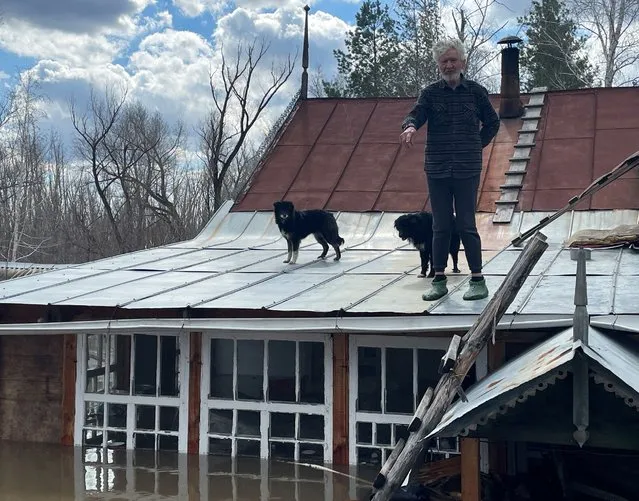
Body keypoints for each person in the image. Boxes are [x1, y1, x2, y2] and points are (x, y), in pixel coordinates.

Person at [399, 38, 500, 301]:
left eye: (453, 60)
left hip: (468, 167)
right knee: (440, 226)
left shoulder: (476, 92)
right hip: (437, 168)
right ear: (438, 65)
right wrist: (410, 127)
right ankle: (439, 279)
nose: (449, 65)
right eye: (444, 61)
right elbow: (416, 114)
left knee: (466, 224)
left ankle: (477, 280)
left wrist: (477, 144)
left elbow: (493, 122)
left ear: (463, 62)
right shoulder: (430, 93)